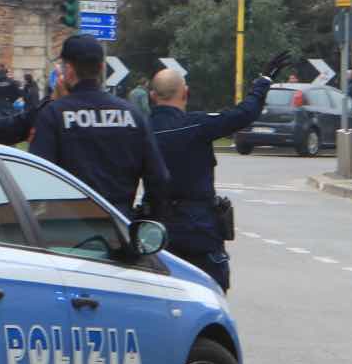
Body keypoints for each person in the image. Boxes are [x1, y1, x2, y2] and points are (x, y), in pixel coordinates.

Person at [149, 50, 291, 293]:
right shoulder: (198, 124)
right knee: (210, 297)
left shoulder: (140, 129)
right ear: (186, 93)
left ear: (152, 97)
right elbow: (243, 113)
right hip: (199, 232)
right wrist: (263, 82)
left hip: (155, 232)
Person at [29, 35, 169, 219]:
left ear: (69, 70)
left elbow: (35, 177)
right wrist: (147, 219)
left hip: (70, 230)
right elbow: (159, 178)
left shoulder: (54, 115)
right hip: (120, 225)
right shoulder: (132, 114)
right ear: (101, 67)